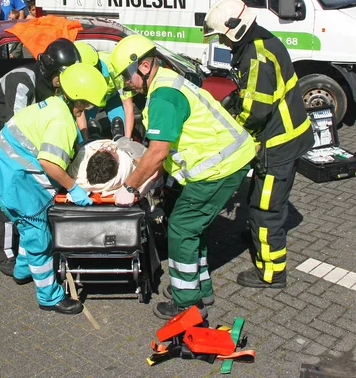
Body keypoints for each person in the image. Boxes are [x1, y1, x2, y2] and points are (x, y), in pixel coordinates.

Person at [109, 34, 256, 320]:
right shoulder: (165, 83)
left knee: (181, 228)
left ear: (143, 66)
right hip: (225, 162)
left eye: (126, 76)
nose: (126, 84)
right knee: (191, 225)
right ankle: (199, 287)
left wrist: (130, 186)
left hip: (220, 168)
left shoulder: (163, 96)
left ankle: (187, 303)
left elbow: (158, 151)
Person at [202, 0, 314, 288]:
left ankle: (272, 272)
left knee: (267, 209)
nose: (224, 44)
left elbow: (256, 111)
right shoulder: (259, 42)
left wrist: (230, 129)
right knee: (259, 197)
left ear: (235, 29)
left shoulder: (257, 56)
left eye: (223, 38)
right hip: (284, 135)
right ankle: (257, 233)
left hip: (279, 141)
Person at [0, 63, 108, 315]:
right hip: (14, 180)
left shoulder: (52, 104)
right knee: (38, 237)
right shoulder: (62, 121)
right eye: (88, 106)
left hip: (2, 173)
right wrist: (74, 188)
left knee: (29, 226)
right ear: (80, 102)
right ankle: (49, 297)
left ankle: (23, 270)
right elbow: (50, 163)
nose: (89, 111)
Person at [0, 38, 81, 277]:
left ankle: (28, 241)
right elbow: (17, 126)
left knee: (28, 189)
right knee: (5, 193)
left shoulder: (53, 84)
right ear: (52, 70)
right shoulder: (22, 80)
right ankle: (2, 254)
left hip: (18, 133)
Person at [74, 42, 136, 139]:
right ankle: (94, 136)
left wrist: (127, 140)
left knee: (121, 126)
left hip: (111, 96)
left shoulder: (115, 68)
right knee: (80, 134)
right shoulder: (76, 77)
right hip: (91, 99)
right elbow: (79, 112)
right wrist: (85, 141)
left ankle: (118, 138)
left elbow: (128, 106)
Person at [67, 137, 147, 194]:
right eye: (110, 151)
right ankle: (117, 135)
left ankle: (95, 135)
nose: (109, 148)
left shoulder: (79, 172)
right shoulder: (125, 163)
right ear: (117, 162)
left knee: (84, 145)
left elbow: (71, 171)